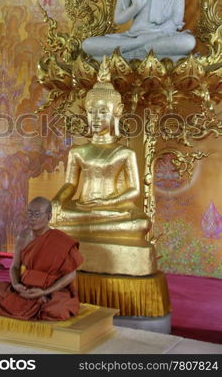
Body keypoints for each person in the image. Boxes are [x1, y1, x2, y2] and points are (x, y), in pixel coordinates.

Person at [51, 57, 157, 276]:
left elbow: (134, 190)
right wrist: (57, 201)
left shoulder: (124, 153)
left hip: (113, 210)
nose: (96, 118)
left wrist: (108, 202)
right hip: (82, 209)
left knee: (140, 223)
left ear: (116, 112)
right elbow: (70, 184)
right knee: (52, 218)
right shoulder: (78, 152)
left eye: (102, 112)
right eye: (91, 112)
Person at [0, 196, 84, 321]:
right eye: (29, 213)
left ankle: (38, 303)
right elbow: (15, 266)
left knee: (58, 310)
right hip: (24, 287)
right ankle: (33, 305)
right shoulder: (22, 237)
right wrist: (16, 284)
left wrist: (45, 292)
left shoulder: (61, 241)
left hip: (50, 290)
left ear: (49, 217)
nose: (32, 218)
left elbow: (71, 275)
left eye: (37, 214)